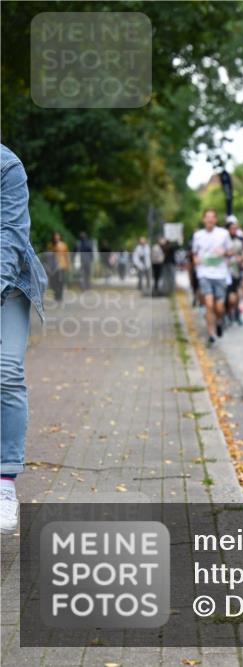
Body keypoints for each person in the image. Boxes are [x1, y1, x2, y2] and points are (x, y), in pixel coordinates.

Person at [1, 144, 47, 535]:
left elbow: (11, 238)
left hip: (8, 285)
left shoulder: (7, 165)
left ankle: (4, 483)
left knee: (6, 371)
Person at [191, 209, 231, 345]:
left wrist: (224, 252)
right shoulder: (197, 235)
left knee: (219, 307)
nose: (209, 220)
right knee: (208, 304)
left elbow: (231, 251)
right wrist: (195, 259)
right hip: (204, 273)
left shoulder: (223, 234)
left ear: (215, 220)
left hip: (220, 274)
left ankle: (219, 320)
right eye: (207, 217)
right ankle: (211, 334)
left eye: (212, 217)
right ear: (203, 220)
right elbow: (194, 253)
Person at [224, 217, 243, 327]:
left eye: (235, 228)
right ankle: (228, 314)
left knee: (235, 295)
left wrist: (240, 259)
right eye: (231, 228)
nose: (233, 230)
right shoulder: (222, 239)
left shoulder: (239, 240)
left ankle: (236, 314)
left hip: (236, 272)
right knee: (228, 296)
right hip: (223, 272)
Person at [46, 232, 70, 303]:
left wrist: (68, 264)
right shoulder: (50, 245)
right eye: (55, 236)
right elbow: (48, 256)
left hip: (61, 266)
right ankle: (56, 295)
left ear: (59, 237)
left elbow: (67, 255)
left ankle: (60, 296)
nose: (56, 237)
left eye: (57, 236)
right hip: (53, 266)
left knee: (60, 281)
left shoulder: (63, 245)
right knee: (54, 281)